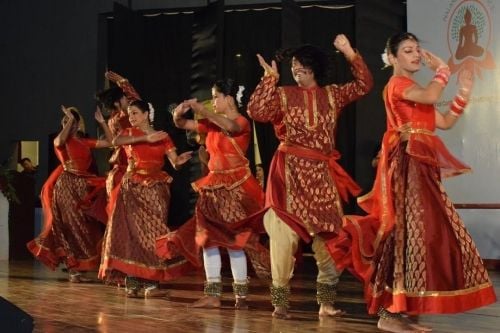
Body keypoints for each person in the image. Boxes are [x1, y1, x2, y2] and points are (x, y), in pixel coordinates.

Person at [329, 32, 497, 333]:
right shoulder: (398, 84)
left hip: (421, 167)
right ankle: (387, 313)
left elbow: (443, 122)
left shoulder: (415, 88)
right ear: (393, 58)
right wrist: (443, 70)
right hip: (408, 167)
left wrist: (464, 93)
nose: (417, 55)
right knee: (405, 234)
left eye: (418, 50)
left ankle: (399, 310)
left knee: (419, 236)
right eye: (408, 51)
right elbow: (433, 96)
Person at [246, 34, 373, 319]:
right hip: (288, 172)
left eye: (299, 65)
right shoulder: (283, 94)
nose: (294, 70)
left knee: (330, 239)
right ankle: (280, 302)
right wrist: (269, 78)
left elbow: (365, 85)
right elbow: (256, 111)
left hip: (321, 174)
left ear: (313, 68)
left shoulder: (332, 94)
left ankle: (326, 302)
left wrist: (349, 53)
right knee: (283, 235)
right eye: (292, 66)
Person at [156, 79, 270, 309]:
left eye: (216, 96)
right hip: (212, 188)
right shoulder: (210, 124)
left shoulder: (241, 122)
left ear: (229, 99)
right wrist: (177, 115)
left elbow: (232, 128)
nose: (213, 101)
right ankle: (213, 294)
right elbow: (182, 124)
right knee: (208, 239)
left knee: (234, 242)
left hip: (235, 189)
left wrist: (203, 111)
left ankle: (240, 296)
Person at [99, 100, 193, 297]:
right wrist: (144, 140)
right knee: (131, 235)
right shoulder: (128, 134)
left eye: (134, 113)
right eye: (130, 113)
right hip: (132, 187)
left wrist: (179, 162)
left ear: (145, 114)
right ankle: (132, 282)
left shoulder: (163, 136)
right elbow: (115, 142)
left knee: (154, 232)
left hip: (156, 188)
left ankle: (151, 282)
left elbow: (173, 161)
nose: (131, 117)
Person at [27, 106, 112, 282]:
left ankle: (77, 268)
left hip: (82, 188)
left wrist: (103, 123)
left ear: (79, 124)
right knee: (69, 226)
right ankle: (73, 269)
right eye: (66, 122)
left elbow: (111, 142)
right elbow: (60, 140)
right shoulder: (61, 142)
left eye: (73, 121)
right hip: (66, 186)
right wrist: (71, 119)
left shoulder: (84, 142)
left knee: (83, 228)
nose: (70, 124)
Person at [96, 71, 141, 195]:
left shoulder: (112, 119)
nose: (127, 98)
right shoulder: (126, 116)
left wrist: (123, 83)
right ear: (117, 103)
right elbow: (137, 101)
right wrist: (124, 82)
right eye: (124, 97)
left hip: (121, 159)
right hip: (130, 157)